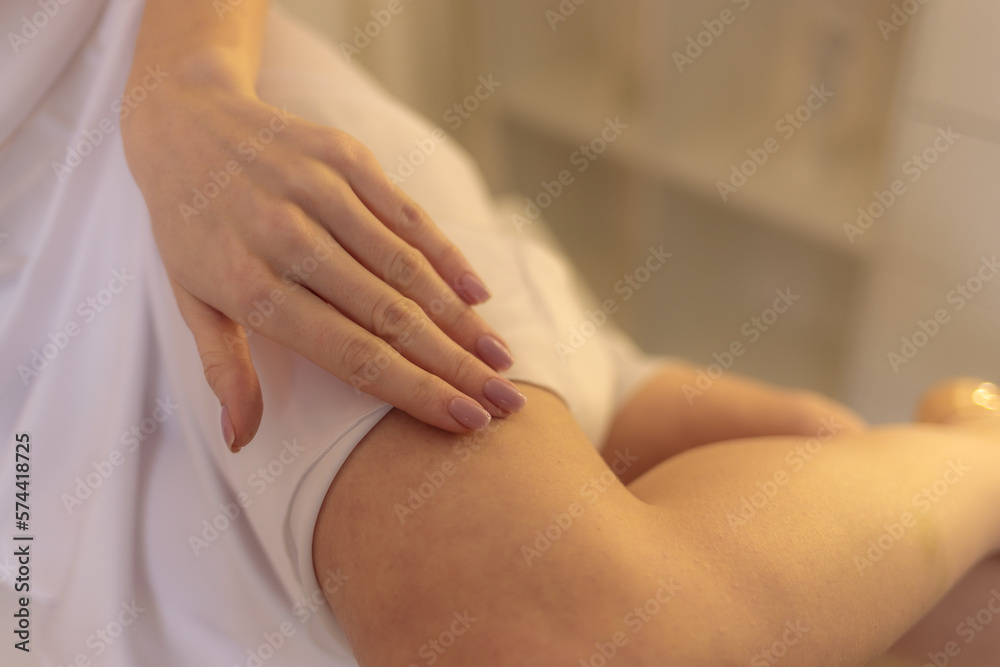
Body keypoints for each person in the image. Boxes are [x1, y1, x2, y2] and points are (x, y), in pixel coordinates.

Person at [0, 1, 996, 666]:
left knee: (560, 637)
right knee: (941, 609)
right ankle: (607, 413)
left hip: (146, 115)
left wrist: (187, 86)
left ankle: (979, 453)